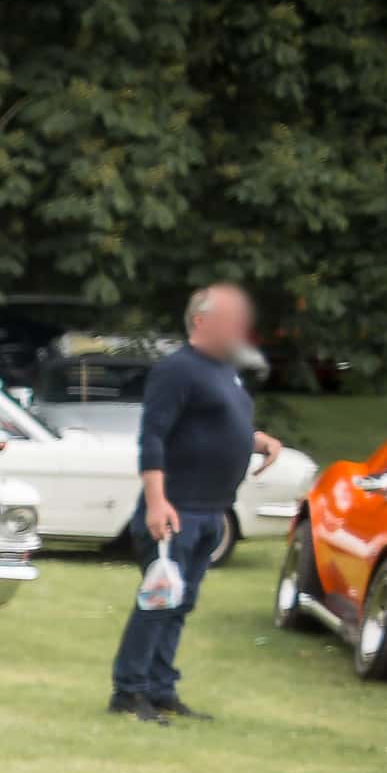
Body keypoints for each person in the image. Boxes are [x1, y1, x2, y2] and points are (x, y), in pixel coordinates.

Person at [110, 282, 284, 723]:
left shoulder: (224, 371)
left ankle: (160, 687)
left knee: (181, 603)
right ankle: (129, 693)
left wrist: (256, 441)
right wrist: (156, 501)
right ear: (202, 321)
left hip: (211, 510)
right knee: (159, 600)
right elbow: (153, 436)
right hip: (176, 508)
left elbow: (211, 427)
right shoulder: (176, 370)